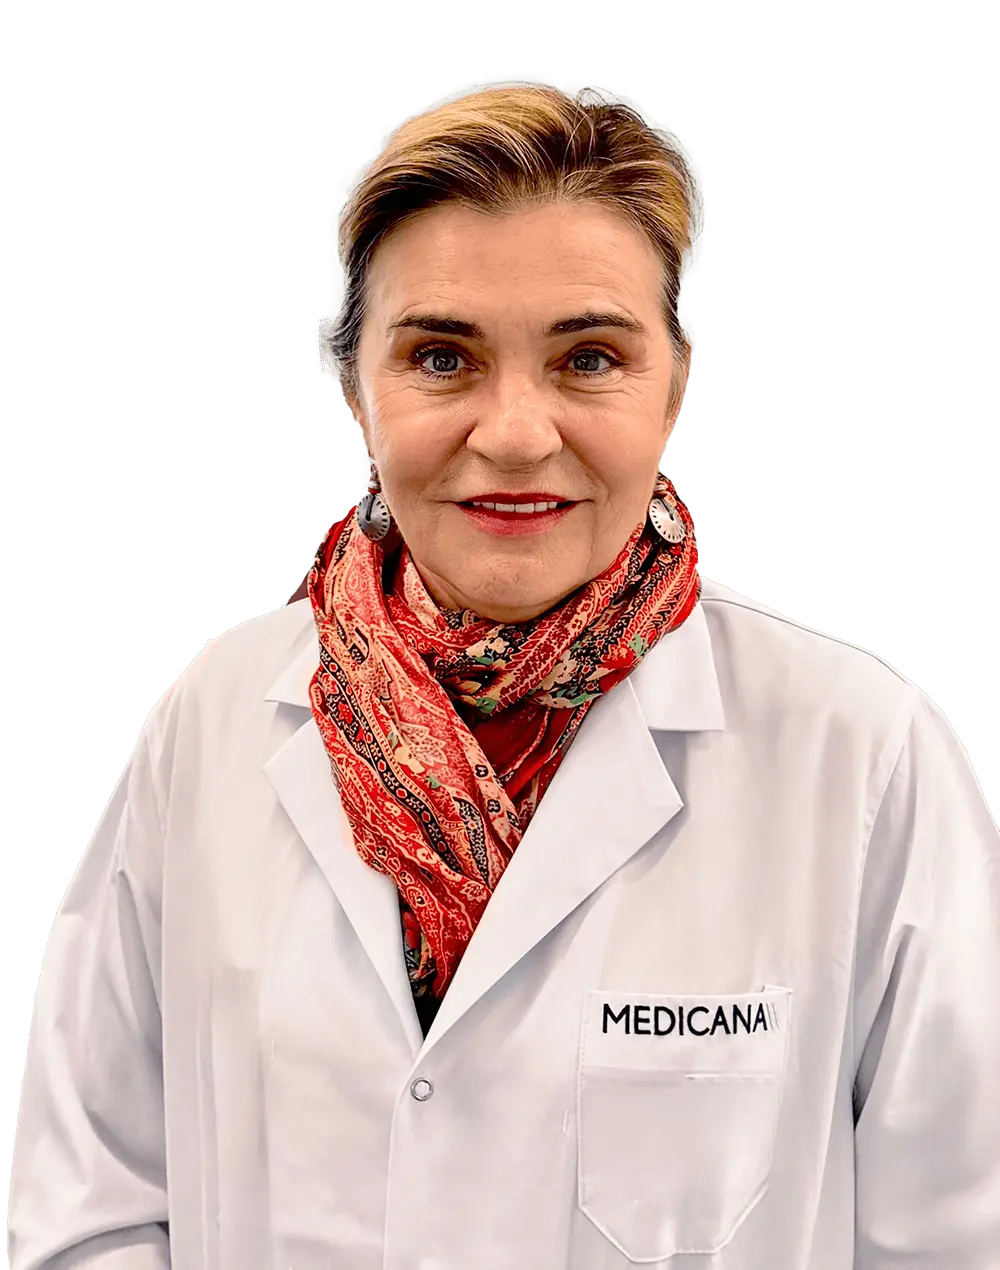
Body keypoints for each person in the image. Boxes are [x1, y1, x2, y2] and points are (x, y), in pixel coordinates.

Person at [9, 82, 998, 1269]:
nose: (517, 434)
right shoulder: (210, 725)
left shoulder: (860, 754)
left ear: (675, 382)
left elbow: (953, 1236)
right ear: (353, 382)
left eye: (589, 357)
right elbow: (91, 1202)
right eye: (441, 356)